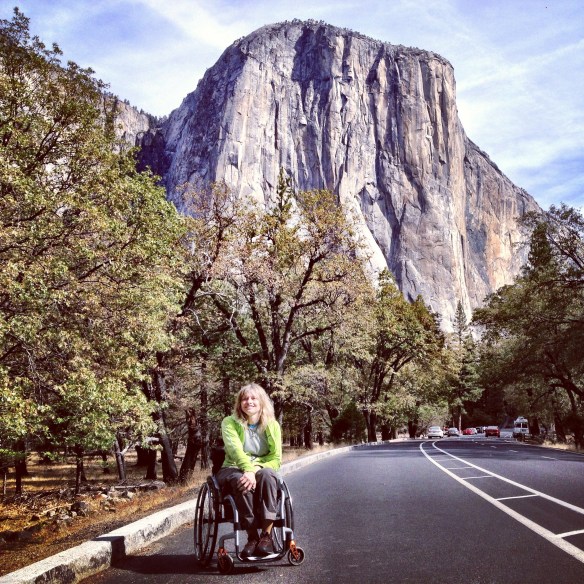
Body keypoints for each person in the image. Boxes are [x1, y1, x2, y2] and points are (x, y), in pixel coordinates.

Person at [216, 383, 282, 557]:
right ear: (239, 403)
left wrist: (255, 468)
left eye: (254, 398)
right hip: (233, 466)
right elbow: (235, 450)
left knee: (268, 475)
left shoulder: (272, 425)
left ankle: (266, 536)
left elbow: (276, 458)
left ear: (261, 402)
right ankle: (252, 537)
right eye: (245, 399)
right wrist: (248, 470)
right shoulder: (229, 422)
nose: (249, 402)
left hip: (261, 467)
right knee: (241, 480)